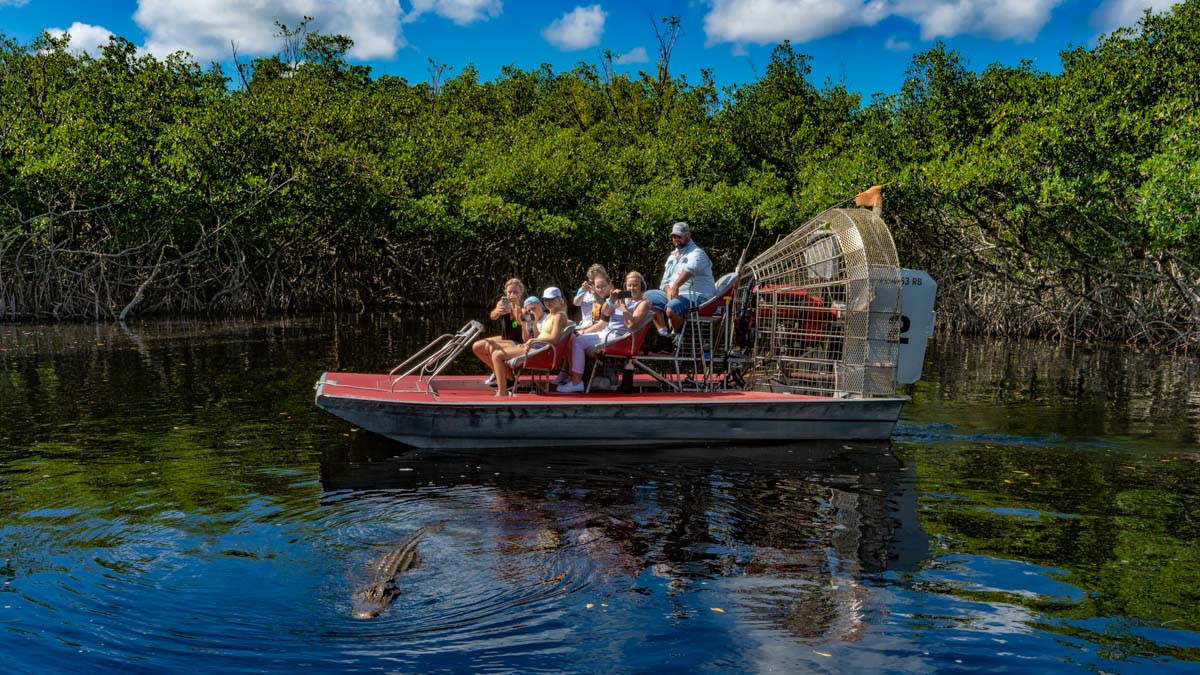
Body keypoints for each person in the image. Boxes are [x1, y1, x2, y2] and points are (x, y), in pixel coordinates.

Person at [557, 272, 652, 394]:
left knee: (578, 342)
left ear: (642, 286)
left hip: (621, 338)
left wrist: (623, 308)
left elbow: (631, 325)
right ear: (625, 286)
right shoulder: (622, 298)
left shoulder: (643, 303)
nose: (632, 288)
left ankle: (576, 382)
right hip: (607, 333)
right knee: (575, 339)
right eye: (629, 285)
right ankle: (575, 380)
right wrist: (612, 300)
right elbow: (605, 313)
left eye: (635, 285)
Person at [491, 287, 570, 397]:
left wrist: (534, 340)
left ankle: (502, 391)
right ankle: (504, 386)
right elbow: (540, 336)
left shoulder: (559, 316)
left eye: (552, 299)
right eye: (546, 300)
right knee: (496, 351)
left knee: (497, 355)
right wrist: (531, 325)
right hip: (537, 347)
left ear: (559, 300)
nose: (548, 302)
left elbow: (554, 339)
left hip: (541, 351)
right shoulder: (550, 315)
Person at [644, 222, 717, 335]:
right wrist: (669, 290)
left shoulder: (697, 253)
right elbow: (664, 282)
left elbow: (690, 269)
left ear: (688, 235)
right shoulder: (672, 256)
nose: (676, 239)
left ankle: (678, 335)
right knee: (645, 298)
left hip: (697, 295)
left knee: (671, 308)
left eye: (679, 236)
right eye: (674, 236)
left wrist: (675, 286)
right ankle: (663, 332)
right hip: (674, 295)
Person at [472, 278, 526, 384]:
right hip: (506, 337)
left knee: (491, 346)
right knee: (476, 346)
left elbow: (521, 323)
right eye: (509, 292)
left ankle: (509, 379)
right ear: (505, 292)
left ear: (521, 293)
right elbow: (492, 316)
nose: (512, 294)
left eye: (515, 292)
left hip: (520, 341)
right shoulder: (503, 302)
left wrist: (515, 309)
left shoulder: (524, 305)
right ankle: (498, 372)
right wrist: (497, 311)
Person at [573, 264, 612, 331]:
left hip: (599, 325)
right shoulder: (583, 288)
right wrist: (584, 291)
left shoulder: (606, 288)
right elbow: (576, 303)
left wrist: (596, 292)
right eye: (591, 278)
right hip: (585, 324)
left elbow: (607, 304)